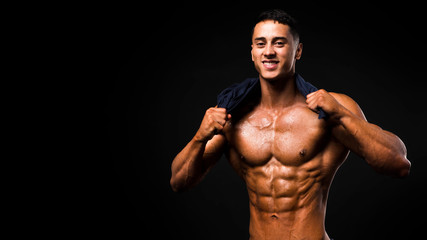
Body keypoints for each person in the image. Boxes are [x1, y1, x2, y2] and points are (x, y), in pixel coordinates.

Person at [170, 9, 410, 240]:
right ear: (252, 52)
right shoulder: (232, 114)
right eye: (261, 43)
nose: (269, 52)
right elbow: (178, 182)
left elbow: (399, 164)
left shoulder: (331, 108)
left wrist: (341, 115)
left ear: (298, 51)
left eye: (279, 43)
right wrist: (199, 138)